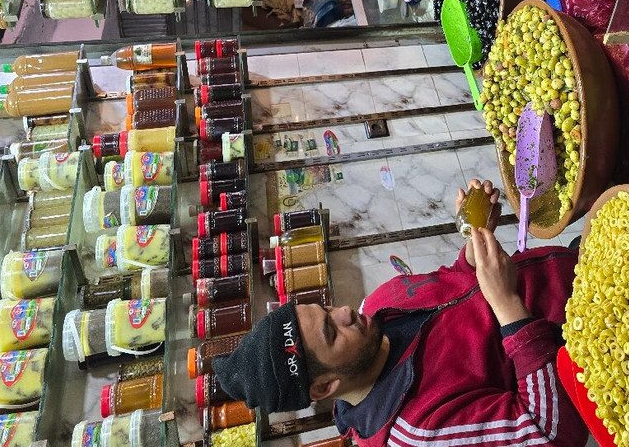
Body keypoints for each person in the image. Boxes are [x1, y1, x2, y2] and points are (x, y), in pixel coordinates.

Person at [214, 179, 589, 447]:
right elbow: (548, 433)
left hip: (579, 267)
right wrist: (508, 307)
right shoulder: (418, 431)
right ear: (325, 387)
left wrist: (474, 250)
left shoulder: (378, 306)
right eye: (331, 331)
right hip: (603, 342)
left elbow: (456, 281)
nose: (345, 311)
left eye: (326, 308)